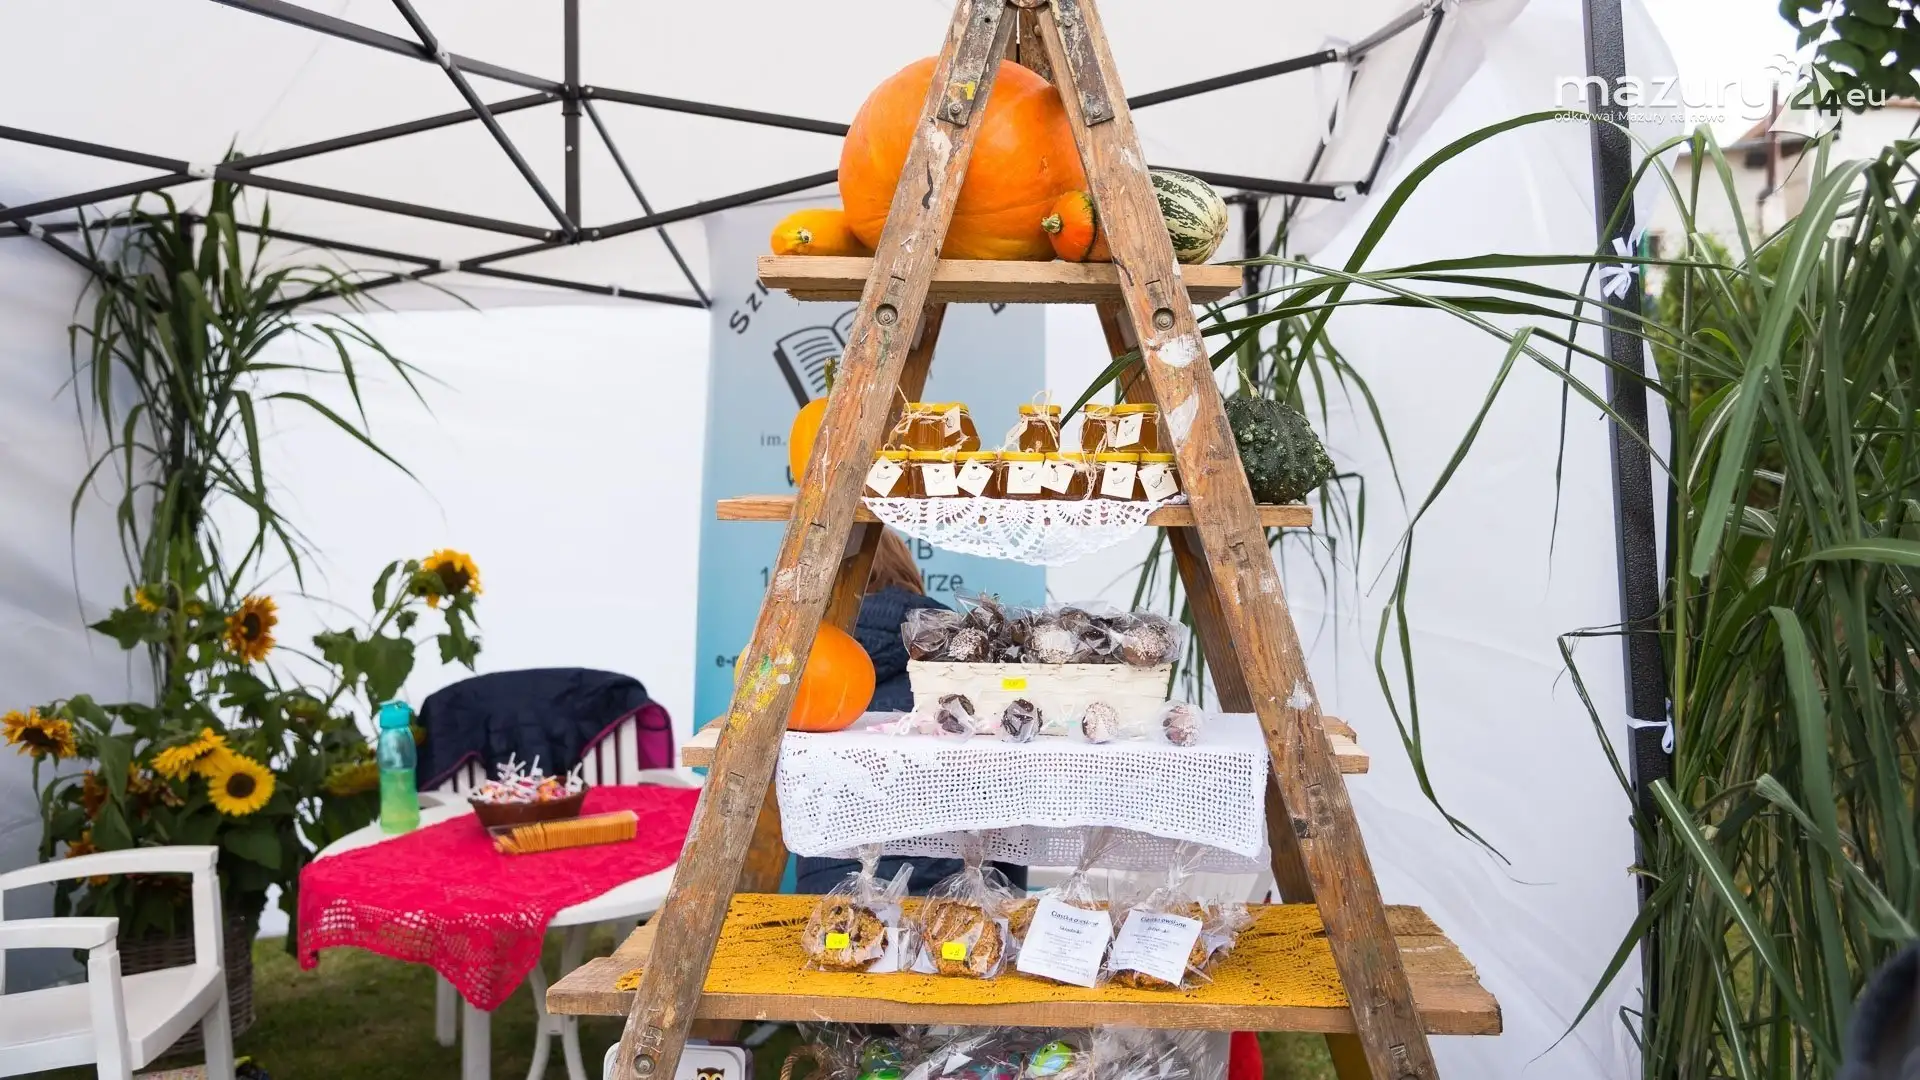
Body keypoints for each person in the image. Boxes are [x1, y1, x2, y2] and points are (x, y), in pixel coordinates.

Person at [794, 530, 1028, 895]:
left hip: (831, 883)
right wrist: (1008, 890)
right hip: (951, 884)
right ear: (909, 572)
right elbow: (1003, 790)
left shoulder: (800, 660)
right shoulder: (965, 652)